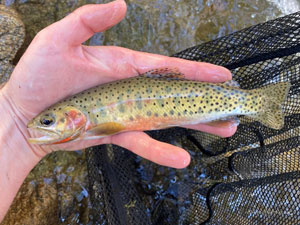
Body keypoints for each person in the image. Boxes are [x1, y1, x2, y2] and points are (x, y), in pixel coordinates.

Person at [0, 0, 237, 221]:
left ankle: (248, 103)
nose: (37, 126)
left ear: (72, 115)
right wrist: (12, 113)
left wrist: (12, 115)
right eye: (47, 122)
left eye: (47, 121)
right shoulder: (79, 115)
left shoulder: (90, 122)